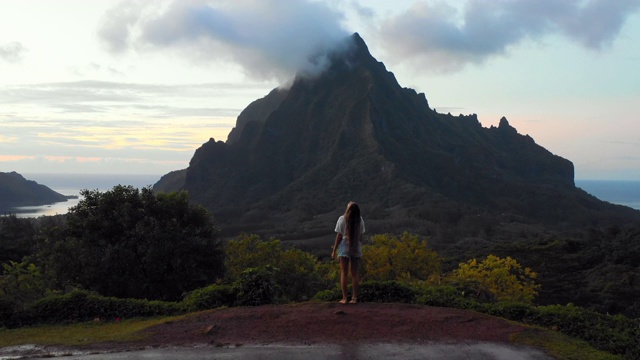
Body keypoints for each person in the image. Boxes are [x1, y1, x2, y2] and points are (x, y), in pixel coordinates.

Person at [331, 201, 365, 304]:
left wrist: (334, 250)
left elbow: (339, 236)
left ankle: (345, 298)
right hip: (355, 245)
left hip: (344, 245)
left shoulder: (342, 219)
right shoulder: (360, 220)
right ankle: (354, 298)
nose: (349, 202)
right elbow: (361, 236)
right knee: (355, 274)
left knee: (344, 273)